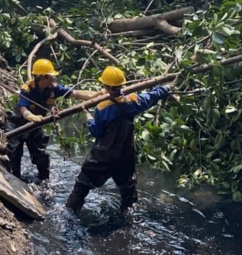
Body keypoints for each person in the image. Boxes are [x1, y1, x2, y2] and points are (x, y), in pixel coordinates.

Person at [64, 66, 175, 215]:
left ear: (106, 86)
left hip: (103, 157)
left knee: (81, 187)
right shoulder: (133, 101)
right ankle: (127, 216)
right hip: (124, 156)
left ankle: (69, 215)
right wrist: (166, 87)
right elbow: (151, 97)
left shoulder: (102, 108)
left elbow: (97, 131)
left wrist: (88, 117)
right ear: (121, 85)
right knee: (128, 188)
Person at [6, 59, 98, 181]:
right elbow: (23, 108)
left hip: (36, 126)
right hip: (17, 125)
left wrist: (99, 94)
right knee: (14, 153)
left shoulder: (53, 88)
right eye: (51, 76)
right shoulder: (27, 88)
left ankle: (44, 181)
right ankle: (14, 179)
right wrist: (31, 117)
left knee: (41, 155)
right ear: (43, 78)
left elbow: (76, 93)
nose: (53, 78)